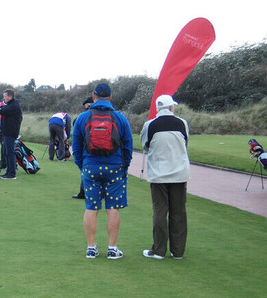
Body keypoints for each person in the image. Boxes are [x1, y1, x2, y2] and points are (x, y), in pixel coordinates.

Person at [72, 83, 133, 259]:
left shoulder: (83, 117)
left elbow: (75, 147)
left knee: (91, 208)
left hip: (90, 167)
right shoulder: (120, 117)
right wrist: (124, 166)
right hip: (114, 168)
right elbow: (128, 145)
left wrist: (82, 166)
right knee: (112, 208)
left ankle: (91, 248)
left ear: (93, 96)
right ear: (110, 97)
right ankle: (112, 249)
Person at [140, 95, 190, 260]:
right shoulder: (182, 123)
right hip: (179, 174)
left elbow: (145, 145)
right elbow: (186, 143)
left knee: (160, 211)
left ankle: (159, 250)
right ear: (170, 108)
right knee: (178, 212)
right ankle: (178, 252)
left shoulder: (149, 125)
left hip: (159, 174)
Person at [0, 89, 22, 179]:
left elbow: (1, 110)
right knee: (6, 152)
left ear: (10, 97)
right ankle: (8, 172)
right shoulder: (10, 105)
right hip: (6, 132)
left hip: (10, 133)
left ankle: (12, 174)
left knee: (10, 153)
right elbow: (2, 110)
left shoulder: (14, 106)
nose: (4, 98)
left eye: (5, 96)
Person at [72, 96, 94, 199]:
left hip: (88, 152)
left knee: (84, 172)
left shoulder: (83, 116)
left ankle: (83, 193)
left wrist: (78, 160)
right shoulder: (112, 115)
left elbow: (77, 142)